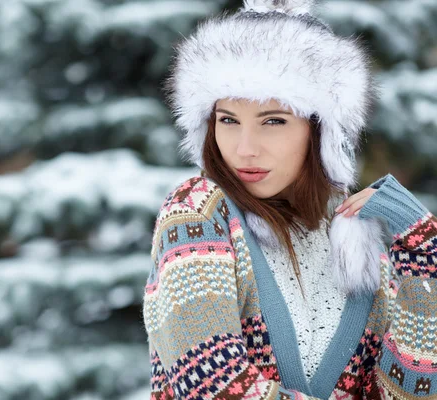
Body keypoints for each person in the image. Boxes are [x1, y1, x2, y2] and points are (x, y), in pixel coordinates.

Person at [141, 0, 437, 398]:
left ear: (321, 132)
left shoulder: (360, 247)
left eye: (273, 121)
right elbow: (210, 384)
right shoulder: (197, 211)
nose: (244, 148)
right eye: (228, 120)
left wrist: (425, 258)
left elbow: (409, 393)